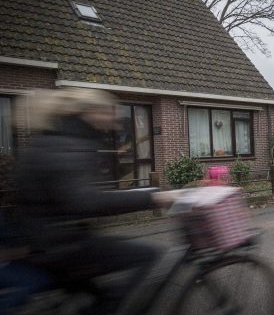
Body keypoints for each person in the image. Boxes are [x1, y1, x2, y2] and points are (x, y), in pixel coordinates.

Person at [9, 88, 175, 314]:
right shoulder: (67, 145)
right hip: (61, 246)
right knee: (148, 254)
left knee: (94, 295)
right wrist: (152, 196)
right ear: (90, 112)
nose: (115, 118)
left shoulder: (55, 141)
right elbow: (86, 201)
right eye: (109, 111)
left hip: (46, 242)